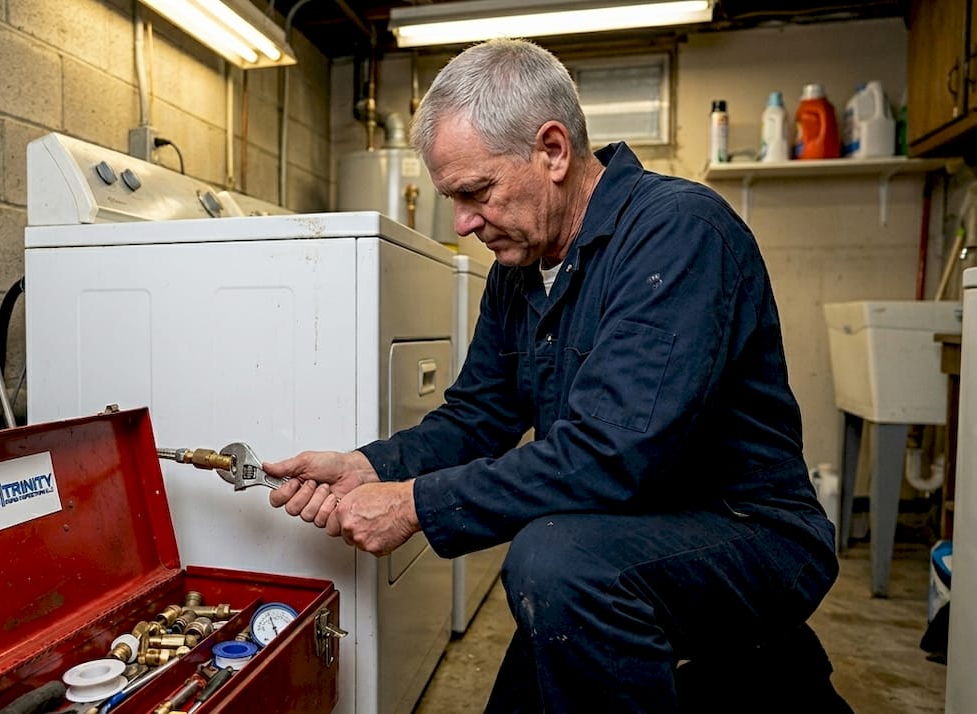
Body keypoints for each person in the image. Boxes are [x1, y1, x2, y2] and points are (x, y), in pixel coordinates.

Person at [263, 38, 843, 712]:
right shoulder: (519, 271)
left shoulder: (679, 234)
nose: (462, 222)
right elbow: (477, 415)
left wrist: (414, 503)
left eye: (476, 192)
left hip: (750, 532)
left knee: (553, 562)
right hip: (617, 532)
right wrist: (372, 466)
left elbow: (614, 454)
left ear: (554, 150)